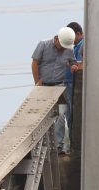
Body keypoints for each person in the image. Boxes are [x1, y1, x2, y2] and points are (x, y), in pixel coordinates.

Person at [32, 26, 79, 155]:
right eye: (61, 46)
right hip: (44, 87)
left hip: (59, 87)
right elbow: (35, 63)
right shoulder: (43, 45)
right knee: (43, 116)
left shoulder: (68, 49)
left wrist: (73, 66)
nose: (63, 49)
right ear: (57, 38)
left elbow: (72, 62)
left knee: (61, 115)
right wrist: (37, 82)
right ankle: (41, 147)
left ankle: (58, 146)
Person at [63, 21, 84, 124]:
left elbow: (79, 65)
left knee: (71, 113)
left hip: (73, 83)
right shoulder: (76, 46)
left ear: (78, 34)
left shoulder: (82, 45)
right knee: (68, 113)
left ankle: (72, 137)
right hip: (69, 82)